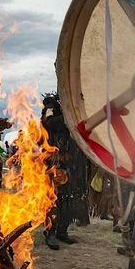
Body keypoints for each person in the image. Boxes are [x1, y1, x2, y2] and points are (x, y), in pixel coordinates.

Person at [40, 93, 86, 250]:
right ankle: (50, 231)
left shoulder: (73, 108)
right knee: (53, 199)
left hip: (70, 162)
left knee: (68, 197)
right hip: (53, 162)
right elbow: (49, 123)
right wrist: (69, 117)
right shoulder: (51, 106)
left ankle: (62, 230)